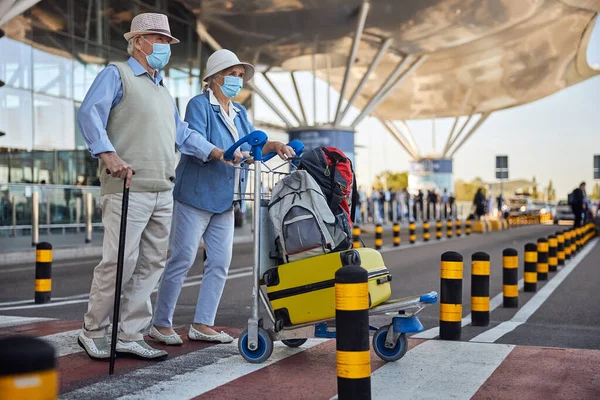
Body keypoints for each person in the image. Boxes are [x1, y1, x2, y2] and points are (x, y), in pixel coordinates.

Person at [76, 13, 233, 361]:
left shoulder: (163, 90)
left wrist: (216, 151)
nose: (165, 46)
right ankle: (93, 330)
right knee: (120, 263)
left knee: (150, 265)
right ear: (139, 42)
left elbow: (182, 134)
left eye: (167, 41)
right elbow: (89, 113)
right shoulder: (117, 74)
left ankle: (130, 333)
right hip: (127, 186)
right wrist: (108, 155)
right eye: (158, 39)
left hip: (163, 189)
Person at [150, 49, 294, 345]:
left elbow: (256, 142)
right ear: (215, 77)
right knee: (183, 258)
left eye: (240, 76)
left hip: (227, 198)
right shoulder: (200, 105)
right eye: (233, 74)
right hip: (196, 194)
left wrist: (276, 145)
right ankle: (160, 323)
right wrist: (222, 153)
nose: (237, 80)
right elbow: (194, 140)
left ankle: (203, 323)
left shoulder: (240, 112)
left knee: (220, 261)